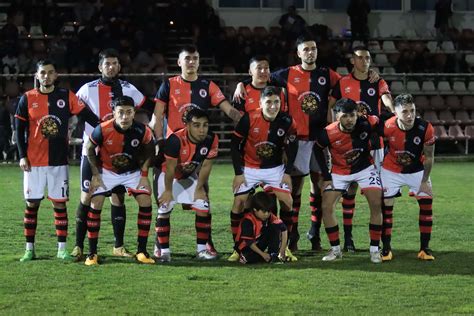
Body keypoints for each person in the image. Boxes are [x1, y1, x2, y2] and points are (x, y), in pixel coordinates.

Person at [153, 45, 242, 256]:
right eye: (187, 59)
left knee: (203, 198)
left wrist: (242, 118)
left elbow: (227, 108)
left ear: (199, 61)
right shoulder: (168, 85)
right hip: (173, 151)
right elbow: (157, 116)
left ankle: (206, 244)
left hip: (196, 154)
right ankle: (160, 245)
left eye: (195, 58)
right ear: (179, 62)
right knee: (166, 202)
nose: (191, 62)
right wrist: (159, 141)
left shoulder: (207, 85)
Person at [15, 59, 99, 262]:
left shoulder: (65, 96)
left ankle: (61, 249)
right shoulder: (27, 98)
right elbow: (18, 130)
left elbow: (88, 116)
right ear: (37, 76)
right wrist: (22, 155)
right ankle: (29, 249)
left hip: (58, 162)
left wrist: (107, 129)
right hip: (34, 162)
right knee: (31, 204)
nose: (46, 76)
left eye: (50, 72)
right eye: (42, 73)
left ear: (56, 75)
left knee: (59, 205)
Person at [72, 48, 146, 260]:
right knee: (88, 197)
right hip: (93, 152)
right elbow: (76, 112)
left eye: (115, 63)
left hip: (118, 153)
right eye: (107, 64)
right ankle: (78, 246)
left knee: (118, 197)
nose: (111, 67)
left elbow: (145, 105)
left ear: (119, 66)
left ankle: (118, 246)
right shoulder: (87, 89)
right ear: (100, 67)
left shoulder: (128, 88)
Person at [325, 46, 394, 252]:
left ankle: (383, 243)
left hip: (375, 143)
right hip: (349, 142)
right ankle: (348, 239)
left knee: (380, 195)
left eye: (368, 58)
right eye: (360, 58)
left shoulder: (377, 81)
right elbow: (330, 105)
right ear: (352, 61)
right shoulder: (342, 82)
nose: (365, 61)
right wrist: (333, 130)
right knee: (350, 191)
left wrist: (393, 110)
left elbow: (386, 97)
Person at [228, 86, 298, 262]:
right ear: (260, 103)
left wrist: (287, 172)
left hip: (274, 169)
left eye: (276, 102)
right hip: (249, 168)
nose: (273, 106)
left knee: (288, 202)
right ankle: (238, 248)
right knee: (239, 202)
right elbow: (234, 145)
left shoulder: (287, 121)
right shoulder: (249, 118)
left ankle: (286, 246)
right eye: (269, 102)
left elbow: (293, 146)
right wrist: (239, 173)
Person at [84, 96, 155, 266]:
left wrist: (144, 174)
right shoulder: (102, 129)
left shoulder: (143, 130)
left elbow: (150, 150)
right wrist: (96, 174)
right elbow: (89, 148)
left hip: (132, 173)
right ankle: (92, 253)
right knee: (96, 203)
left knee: (145, 201)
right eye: (120, 113)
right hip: (107, 171)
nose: (124, 117)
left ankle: (142, 251)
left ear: (134, 113)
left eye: (129, 112)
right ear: (113, 113)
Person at [313, 98, 383, 263]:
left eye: (352, 115)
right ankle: (336, 250)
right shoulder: (327, 132)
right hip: (339, 171)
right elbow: (317, 149)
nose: (349, 119)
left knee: (375, 203)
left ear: (357, 114)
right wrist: (326, 175)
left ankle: (374, 249)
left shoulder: (367, 123)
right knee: (326, 206)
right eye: (345, 116)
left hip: (365, 169)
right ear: (337, 116)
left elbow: (381, 122)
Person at [155, 108, 218, 262]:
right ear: (187, 126)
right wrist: (168, 191)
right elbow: (169, 169)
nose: (202, 130)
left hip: (187, 176)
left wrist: (199, 189)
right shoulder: (175, 140)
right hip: (166, 176)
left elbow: (206, 166)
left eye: (205, 125)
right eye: (196, 125)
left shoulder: (211, 138)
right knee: (164, 207)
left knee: (203, 205)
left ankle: (201, 250)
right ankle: (163, 252)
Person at [378, 94, 436, 261]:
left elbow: (430, 157)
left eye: (412, 110)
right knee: (386, 207)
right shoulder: (387, 127)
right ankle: (386, 249)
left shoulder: (426, 128)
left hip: (417, 170)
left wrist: (424, 181)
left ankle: (425, 249)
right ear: (395, 112)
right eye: (405, 112)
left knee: (426, 204)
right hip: (391, 170)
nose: (410, 115)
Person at [235, 191, 288, 264]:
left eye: (268, 211)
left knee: (275, 227)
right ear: (255, 210)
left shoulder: (270, 216)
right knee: (250, 258)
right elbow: (249, 242)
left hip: (258, 243)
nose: (266, 214)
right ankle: (245, 256)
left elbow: (284, 229)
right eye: (264, 211)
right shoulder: (248, 221)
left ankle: (274, 255)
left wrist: (282, 251)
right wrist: (263, 254)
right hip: (246, 247)